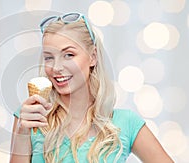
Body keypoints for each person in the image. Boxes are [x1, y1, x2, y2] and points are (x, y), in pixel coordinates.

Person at [10, 12, 173, 163]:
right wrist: (22, 132)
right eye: (49, 57)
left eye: (69, 55)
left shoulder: (126, 123)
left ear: (92, 57)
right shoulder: (30, 117)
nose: (56, 67)